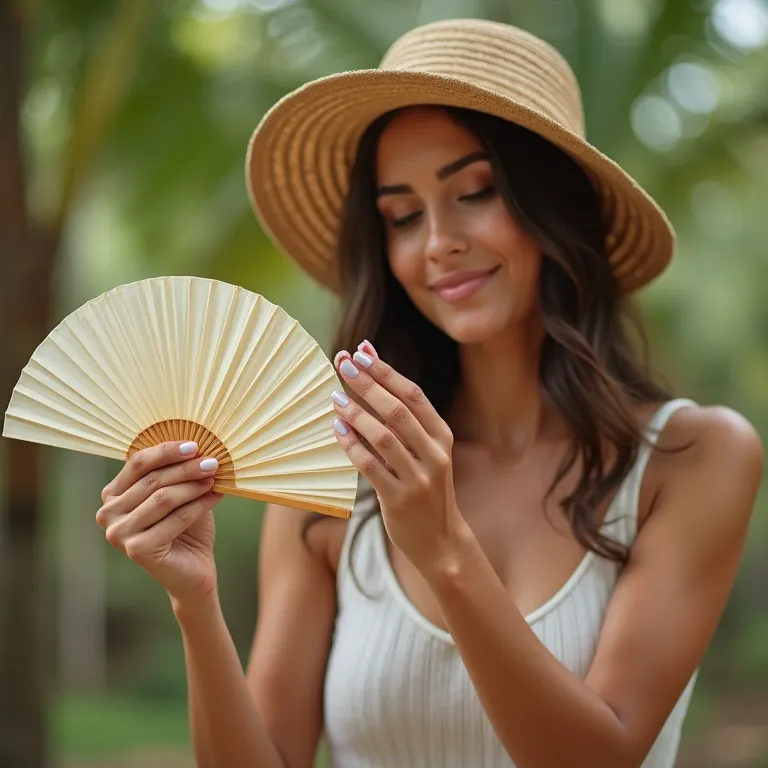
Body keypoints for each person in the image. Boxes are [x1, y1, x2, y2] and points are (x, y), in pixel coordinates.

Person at [95, 18, 763, 768]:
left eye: (475, 192)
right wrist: (194, 602)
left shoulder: (690, 458)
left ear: (553, 209)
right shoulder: (331, 475)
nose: (437, 241)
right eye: (403, 215)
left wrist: (443, 549)